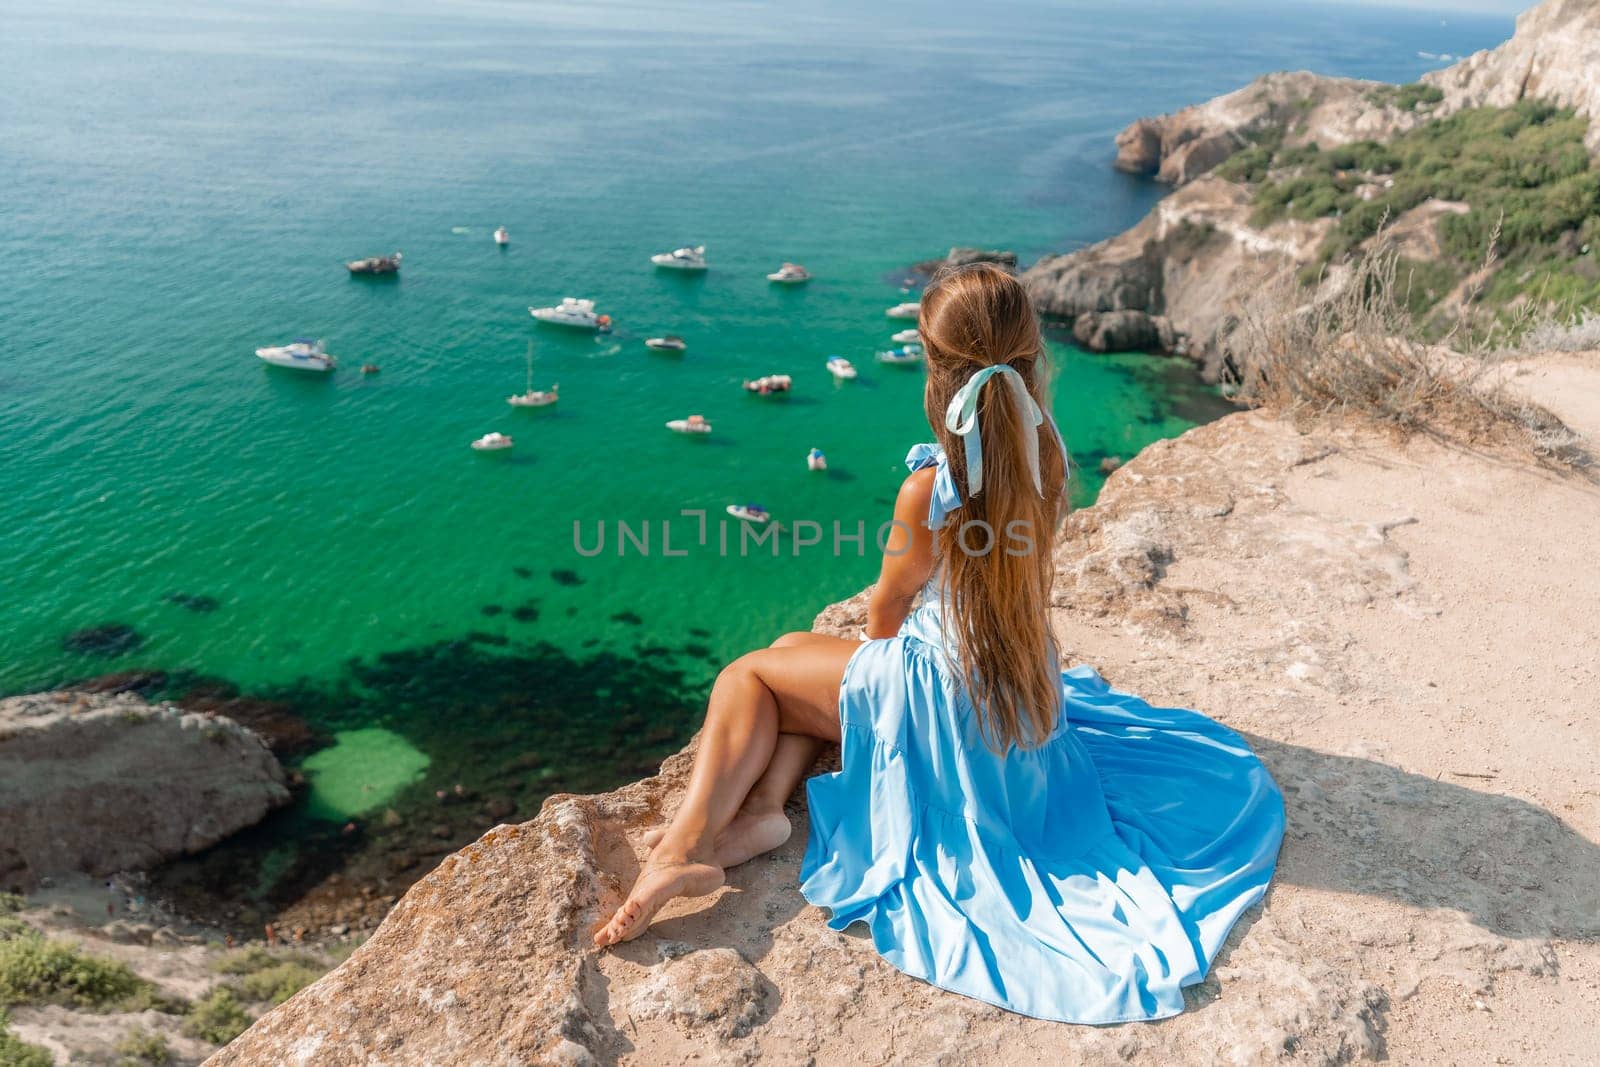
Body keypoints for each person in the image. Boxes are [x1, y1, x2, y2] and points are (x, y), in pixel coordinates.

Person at [594, 263, 1285, 1025]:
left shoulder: (933, 483)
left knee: (749, 677)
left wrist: (875, 678)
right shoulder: (1045, 452)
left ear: (936, 370)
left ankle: (684, 846)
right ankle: (760, 809)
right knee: (798, 648)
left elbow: (888, 604)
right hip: (1017, 681)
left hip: (941, 690)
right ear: (1029, 358)